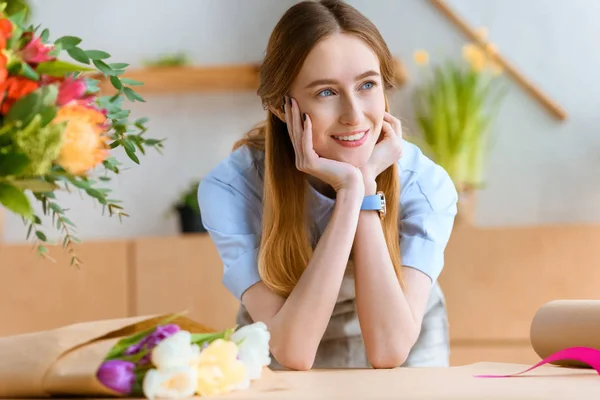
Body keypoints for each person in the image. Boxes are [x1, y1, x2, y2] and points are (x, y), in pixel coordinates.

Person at [198, 0, 458, 371]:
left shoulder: (425, 185)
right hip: (284, 337)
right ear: (279, 106)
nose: (354, 115)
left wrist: (364, 191)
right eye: (326, 92)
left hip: (407, 343)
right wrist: (350, 194)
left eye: (367, 84)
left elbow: (388, 351)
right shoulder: (233, 189)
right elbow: (292, 350)